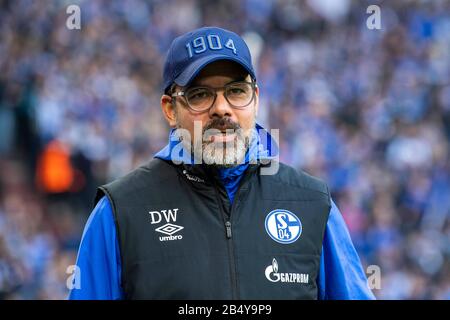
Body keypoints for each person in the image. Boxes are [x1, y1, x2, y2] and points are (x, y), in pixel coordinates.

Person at [68, 26, 375, 300]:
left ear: (255, 99)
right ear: (170, 109)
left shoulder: (312, 204)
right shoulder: (119, 211)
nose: (222, 109)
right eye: (201, 95)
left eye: (236, 91)